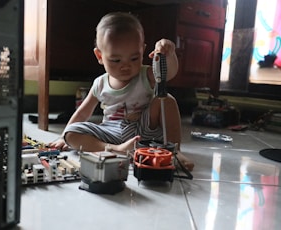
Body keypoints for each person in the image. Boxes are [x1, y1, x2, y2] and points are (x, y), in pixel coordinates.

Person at [49, 12, 194, 171]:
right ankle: (114, 149)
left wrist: (169, 53)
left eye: (134, 58)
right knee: (72, 132)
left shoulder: (146, 75)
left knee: (166, 99)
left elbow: (169, 73)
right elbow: (82, 113)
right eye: (116, 60)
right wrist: (63, 137)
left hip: (144, 128)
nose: (126, 66)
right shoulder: (100, 83)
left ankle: (174, 151)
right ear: (100, 56)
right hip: (111, 132)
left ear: (142, 50)